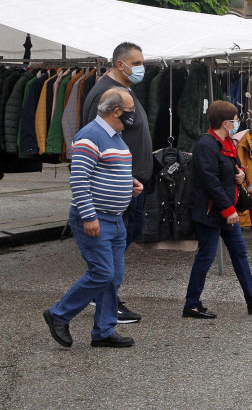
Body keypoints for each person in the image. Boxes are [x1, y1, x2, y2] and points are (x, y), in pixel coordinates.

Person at [43, 88, 144, 348]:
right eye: (131, 109)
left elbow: (107, 169)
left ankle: (103, 331)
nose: (135, 114)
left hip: (114, 218)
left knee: (113, 276)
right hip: (95, 217)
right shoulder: (90, 135)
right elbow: (78, 179)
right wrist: (89, 217)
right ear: (117, 111)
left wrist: (129, 183)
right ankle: (58, 315)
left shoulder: (116, 136)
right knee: (102, 272)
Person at [183, 101, 252, 319]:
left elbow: (234, 168)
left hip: (226, 209)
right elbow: (210, 182)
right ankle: (191, 304)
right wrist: (228, 209)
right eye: (235, 119)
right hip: (212, 212)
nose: (238, 122)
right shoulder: (206, 145)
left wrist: (242, 174)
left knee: (239, 253)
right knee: (205, 258)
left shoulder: (226, 142)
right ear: (226, 122)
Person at [81, 42, 153, 324]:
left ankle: (105, 296)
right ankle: (104, 297)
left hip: (130, 183)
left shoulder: (123, 89)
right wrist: (117, 176)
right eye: (136, 63)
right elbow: (97, 139)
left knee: (121, 241)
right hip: (118, 187)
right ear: (120, 64)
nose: (141, 68)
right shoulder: (106, 92)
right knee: (111, 248)